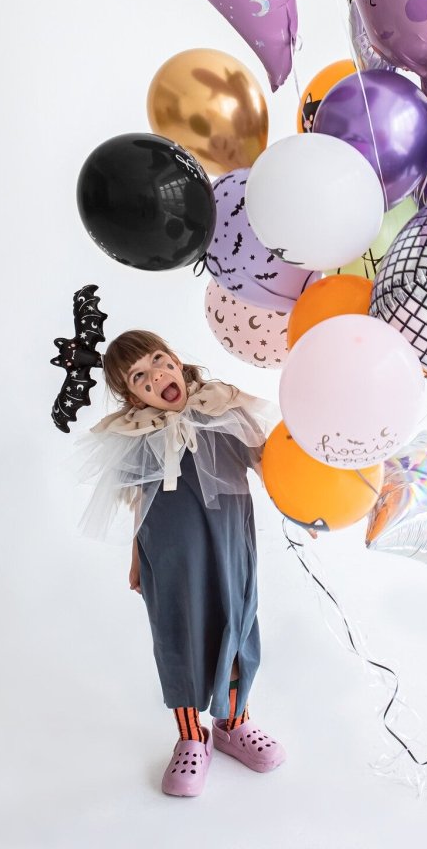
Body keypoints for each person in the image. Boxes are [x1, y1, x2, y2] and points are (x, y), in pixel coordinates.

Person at [77, 328, 285, 798]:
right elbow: (141, 499)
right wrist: (137, 555)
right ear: (132, 396)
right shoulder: (137, 434)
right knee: (179, 633)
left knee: (235, 624)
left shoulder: (222, 406)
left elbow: (267, 462)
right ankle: (192, 736)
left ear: (174, 358)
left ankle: (234, 723)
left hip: (228, 545)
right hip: (170, 554)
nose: (155, 375)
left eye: (158, 360)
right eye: (139, 376)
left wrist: (302, 506)